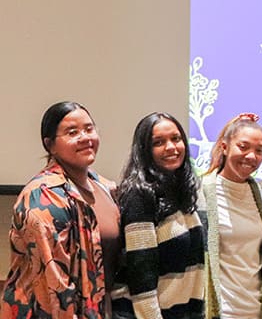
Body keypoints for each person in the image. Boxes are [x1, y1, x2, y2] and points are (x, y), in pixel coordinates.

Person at [1, 101, 120, 318]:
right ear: (50, 145)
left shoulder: (100, 184)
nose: (85, 137)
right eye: (72, 132)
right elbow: (53, 288)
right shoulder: (43, 198)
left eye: (89, 128)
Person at [111, 112, 205, 319]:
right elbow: (140, 274)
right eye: (158, 142)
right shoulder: (139, 195)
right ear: (145, 150)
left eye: (176, 139)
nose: (171, 147)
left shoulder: (183, 191)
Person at [202, 112, 262, 319]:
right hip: (220, 312)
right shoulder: (202, 193)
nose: (251, 157)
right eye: (243, 147)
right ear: (225, 147)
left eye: (259, 150)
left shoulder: (261, 198)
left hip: (256, 312)